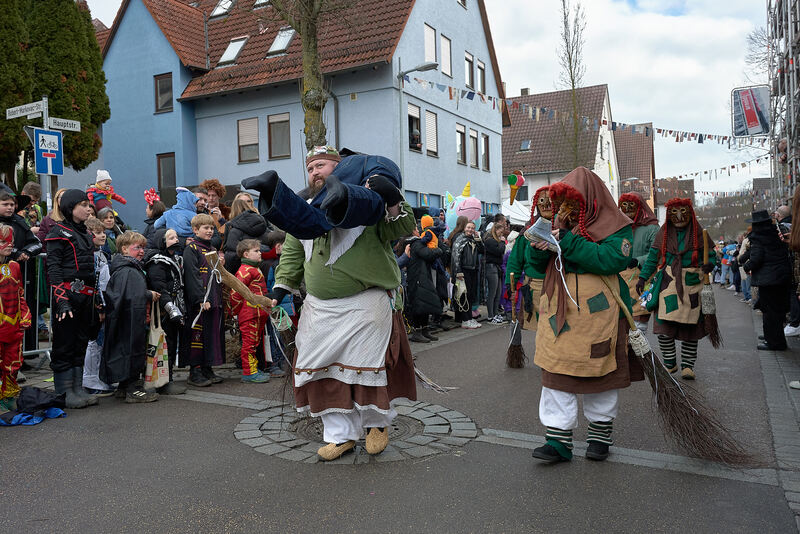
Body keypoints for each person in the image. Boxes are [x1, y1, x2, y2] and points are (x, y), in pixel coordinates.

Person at [243, 146, 417, 461]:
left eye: (321, 165)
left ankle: (375, 425)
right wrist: (279, 292)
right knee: (318, 369)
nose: (314, 173)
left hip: (366, 303)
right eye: (310, 168)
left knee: (367, 368)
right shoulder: (304, 211)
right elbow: (293, 258)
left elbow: (402, 227)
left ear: (341, 168)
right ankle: (340, 436)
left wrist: (391, 199)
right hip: (320, 307)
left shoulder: (366, 207)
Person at [525, 167, 642, 464]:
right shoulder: (558, 222)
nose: (566, 207)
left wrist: (568, 241)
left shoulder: (616, 225)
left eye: (571, 199)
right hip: (558, 309)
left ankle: (599, 436)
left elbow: (612, 259)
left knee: (600, 370)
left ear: (590, 199)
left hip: (598, 312)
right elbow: (537, 266)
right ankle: (558, 441)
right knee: (555, 371)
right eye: (562, 200)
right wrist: (539, 247)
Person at [637, 198, 716, 380]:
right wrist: (643, 277)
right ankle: (670, 363)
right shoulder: (663, 232)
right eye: (674, 212)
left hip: (692, 284)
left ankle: (688, 366)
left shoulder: (699, 232)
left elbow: (711, 255)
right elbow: (652, 257)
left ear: (690, 212)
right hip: (668, 283)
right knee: (664, 325)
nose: (679, 216)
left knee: (691, 327)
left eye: (683, 211)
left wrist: (710, 265)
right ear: (669, 215)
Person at [45, 190, 101, 409]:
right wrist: (61, 300)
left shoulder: (85, 233)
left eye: (89, 205)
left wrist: (95, 299)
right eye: (84, 205)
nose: (89, 208)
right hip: (67, 295)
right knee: (64, 344)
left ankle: (77, 388)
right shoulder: (57, 232)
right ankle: (65, 391)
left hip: (85, 297)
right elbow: (54, 269)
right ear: (71, 207)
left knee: (80, 343)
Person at [100, 231, 160, 402]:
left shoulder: (127, 267)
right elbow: (132, 296)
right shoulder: (128, 270)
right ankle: (133, 390)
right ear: (124, 249)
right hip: (131, 320)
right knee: (132, 350)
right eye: (137, 247)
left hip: (124, 319)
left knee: (125, 350)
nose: (142, 251)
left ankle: (124, 387)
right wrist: (147, 294)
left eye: (143, 247)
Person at [183, 213, 225, 387]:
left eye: (211, 228)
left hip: (214, 299)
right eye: (205, 228)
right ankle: (195, 371)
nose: (209, 231)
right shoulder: (191, 249)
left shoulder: (212, 250)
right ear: (195, 230)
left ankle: (208, 367)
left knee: (211, 334)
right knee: (197, 336)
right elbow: (192, 275)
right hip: (201, 302)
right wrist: (200, 298)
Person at [144, 229, 187, 395]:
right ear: (162, 241)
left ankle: (168, 379)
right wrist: (171, 309)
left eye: (176, 237)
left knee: (171, 343)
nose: (176, 240)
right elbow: (159, 287)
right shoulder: (157, 262)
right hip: (163, 309)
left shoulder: (174, 258)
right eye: (171, 238)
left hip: (176, 302)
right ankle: (162, 382)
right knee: (164, 344)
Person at [742, 210, 792, 351]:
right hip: (782, 277)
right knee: (778, 312)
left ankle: (774, 342)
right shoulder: (777, 233)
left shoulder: (758, 238)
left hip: (769, 280)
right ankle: (774, 337)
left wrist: (746, 266)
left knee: (769, 312)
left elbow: (756, 258)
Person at [506, 186, 552, 331]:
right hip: (536, 287)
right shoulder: (528, 232)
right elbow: (515, 260)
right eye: (542, 201)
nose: (546, 205)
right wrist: (510, 286)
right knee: (542, 332)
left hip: (561, 286)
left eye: (550, 201)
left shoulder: (565, 228)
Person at [0, 224, 32, 413]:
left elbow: (20, 293)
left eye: (10, 241)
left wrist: (25, 315)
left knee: (12, 363)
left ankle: (8, 396)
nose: (9, 245)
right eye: (3, 241)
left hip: (13, 327)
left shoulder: (14, 266)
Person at [81, 217, 114, 396]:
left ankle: (98, 377)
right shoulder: (90, 256)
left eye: (103, 232)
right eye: (99, 233)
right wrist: (100, 306)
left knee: (99, 342)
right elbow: (96, 284)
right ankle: (90, 380)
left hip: (102, 301)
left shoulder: (100, 254)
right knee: (93, 342)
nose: (103, 235)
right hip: (94, 304)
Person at [231, 239, 272, 383]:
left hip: (259, 313)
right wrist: (236, 311)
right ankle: (249, 372)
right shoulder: (244, 271)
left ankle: (254, 368)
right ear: (246, 254)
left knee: (255, 343)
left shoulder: (254, 268)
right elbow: (236, 293)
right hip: (250, 314)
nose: (260, 253)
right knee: (249, 343)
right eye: (256, 251)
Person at [618, 192, 659, 332]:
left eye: (632, 205)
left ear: (640, 207)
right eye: (624, 205)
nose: (628, 209)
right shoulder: (618, 228)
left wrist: (638, 260)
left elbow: (658, 252)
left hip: (642, 278)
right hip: (621, 278)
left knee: (638, 322)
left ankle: (640, 351)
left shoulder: (652, 228)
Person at [406, 222, 444, 343]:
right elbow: (427, 254)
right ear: (412, 231)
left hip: (420, 276)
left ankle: (424, 329)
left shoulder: (414, 242)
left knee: (425, 303)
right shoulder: (416, 243)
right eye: (416, 229)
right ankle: (417, 331)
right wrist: (438, 249)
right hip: (417, 276)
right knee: (419, 305)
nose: (419, 231)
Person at [450, 218, 484, 329]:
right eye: (469, 227)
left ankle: (469, 318)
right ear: (465, 228)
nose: (470, 230)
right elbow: (455, 257)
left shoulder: (473, 239)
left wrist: (478, 239)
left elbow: (483, 251)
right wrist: (458, 272)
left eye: (473, 228)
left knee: (470, 295)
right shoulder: (460, 240)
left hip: (473, 271)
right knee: (464, 295)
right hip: (463, 271)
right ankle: (465, 319)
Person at [222, 195, 268, 275]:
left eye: (248, 201)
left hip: (240, 268)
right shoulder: (261, 222)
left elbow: (227, 247)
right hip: (262, 263)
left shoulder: (231, 226)